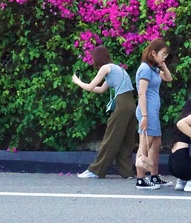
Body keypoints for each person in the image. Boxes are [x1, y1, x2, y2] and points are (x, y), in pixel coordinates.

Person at [72, 45, 137, 179]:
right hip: (131, 104)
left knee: (111, 137)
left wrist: (78, 82)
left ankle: (96, 171)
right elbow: (101, 89)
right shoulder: (116, 69)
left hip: (122, 104)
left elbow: (90, 87)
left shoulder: (105, 68)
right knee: (126, 140)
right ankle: (127, 172)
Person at [134, 38, 173, 189]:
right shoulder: (144, 69)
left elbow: (168, 78)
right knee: (145, 144)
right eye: (162, 54)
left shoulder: (153, 69)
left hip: (152, 112)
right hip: (147, 112)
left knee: (156, 144)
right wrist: (144, 116)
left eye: (166, 55)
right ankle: (140, 178)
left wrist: (163, 64)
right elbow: (141, 93)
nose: (164, 57)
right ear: (153, 53)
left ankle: (154, 176)